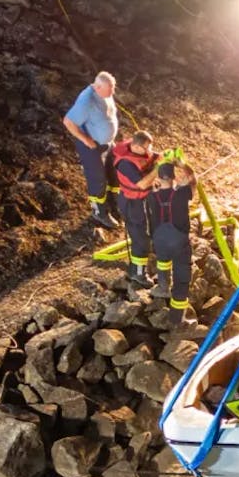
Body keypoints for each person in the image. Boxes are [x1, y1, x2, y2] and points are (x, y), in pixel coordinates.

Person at [63, 71, 120, 230]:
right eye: (110, 89)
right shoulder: (86, 101)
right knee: (97, 178)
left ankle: (114, 204)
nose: (112, 92)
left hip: (107, 144)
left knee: (113, 172)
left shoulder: (104, 93)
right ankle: (99, 212)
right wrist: (86, 140)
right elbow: (68, 122)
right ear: (98, 87)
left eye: (113, 88)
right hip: (92, 146)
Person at [109, 130, 163, 286]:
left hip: (144, 199)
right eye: (146, 149)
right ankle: (137, 273)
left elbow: (153, 158)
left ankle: (147, 258)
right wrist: (158, 169)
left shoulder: (140, 152)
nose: (149, 152)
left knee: (151, 229)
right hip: (131, 203)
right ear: (137, 147)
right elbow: (142, 184)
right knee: (140, 239)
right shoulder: (125, 164)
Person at [148, 162, 197, 323]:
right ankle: (177, 318)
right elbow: (192, 180)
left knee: (163, 261)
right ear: (174, 177)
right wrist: (182, 164)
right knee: (182, 278)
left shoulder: (151, 196)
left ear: (158, 177)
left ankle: (163, 286)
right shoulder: (181, 193)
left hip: (159, 240)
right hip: (179, 242)